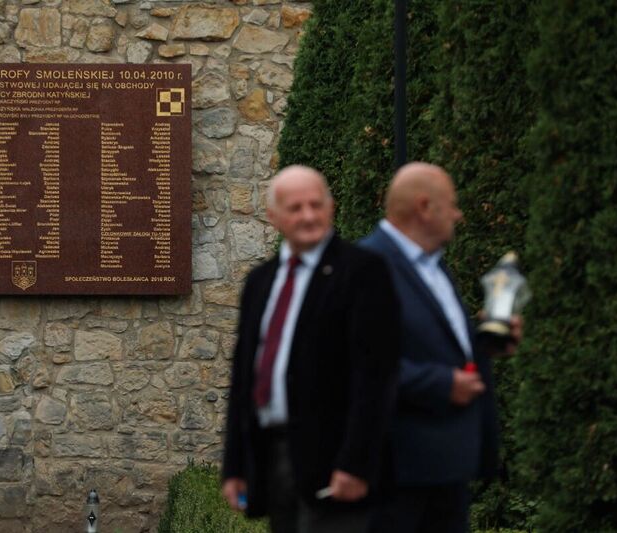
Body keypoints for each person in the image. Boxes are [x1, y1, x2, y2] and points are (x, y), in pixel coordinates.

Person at [222, 165, 401, 533]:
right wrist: (235, 466)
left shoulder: (363, 272)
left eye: (316, 205)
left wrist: (355, 462)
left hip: (334, 463)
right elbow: (244, 378)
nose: (308, 216)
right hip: (276, 458)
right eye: (296, 208)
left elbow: (375, 376)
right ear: (274, 217)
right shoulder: (261, 282)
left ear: (331, 207)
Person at [360, 162, 522, 533]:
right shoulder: (369, 266)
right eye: (451, 204)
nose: (459, 214)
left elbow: (432, 346)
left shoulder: (432, 266)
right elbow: (357, 367)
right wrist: (441, 384)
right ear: (423, 207)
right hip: (398, 477)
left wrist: (485, 341)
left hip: (445, 471)